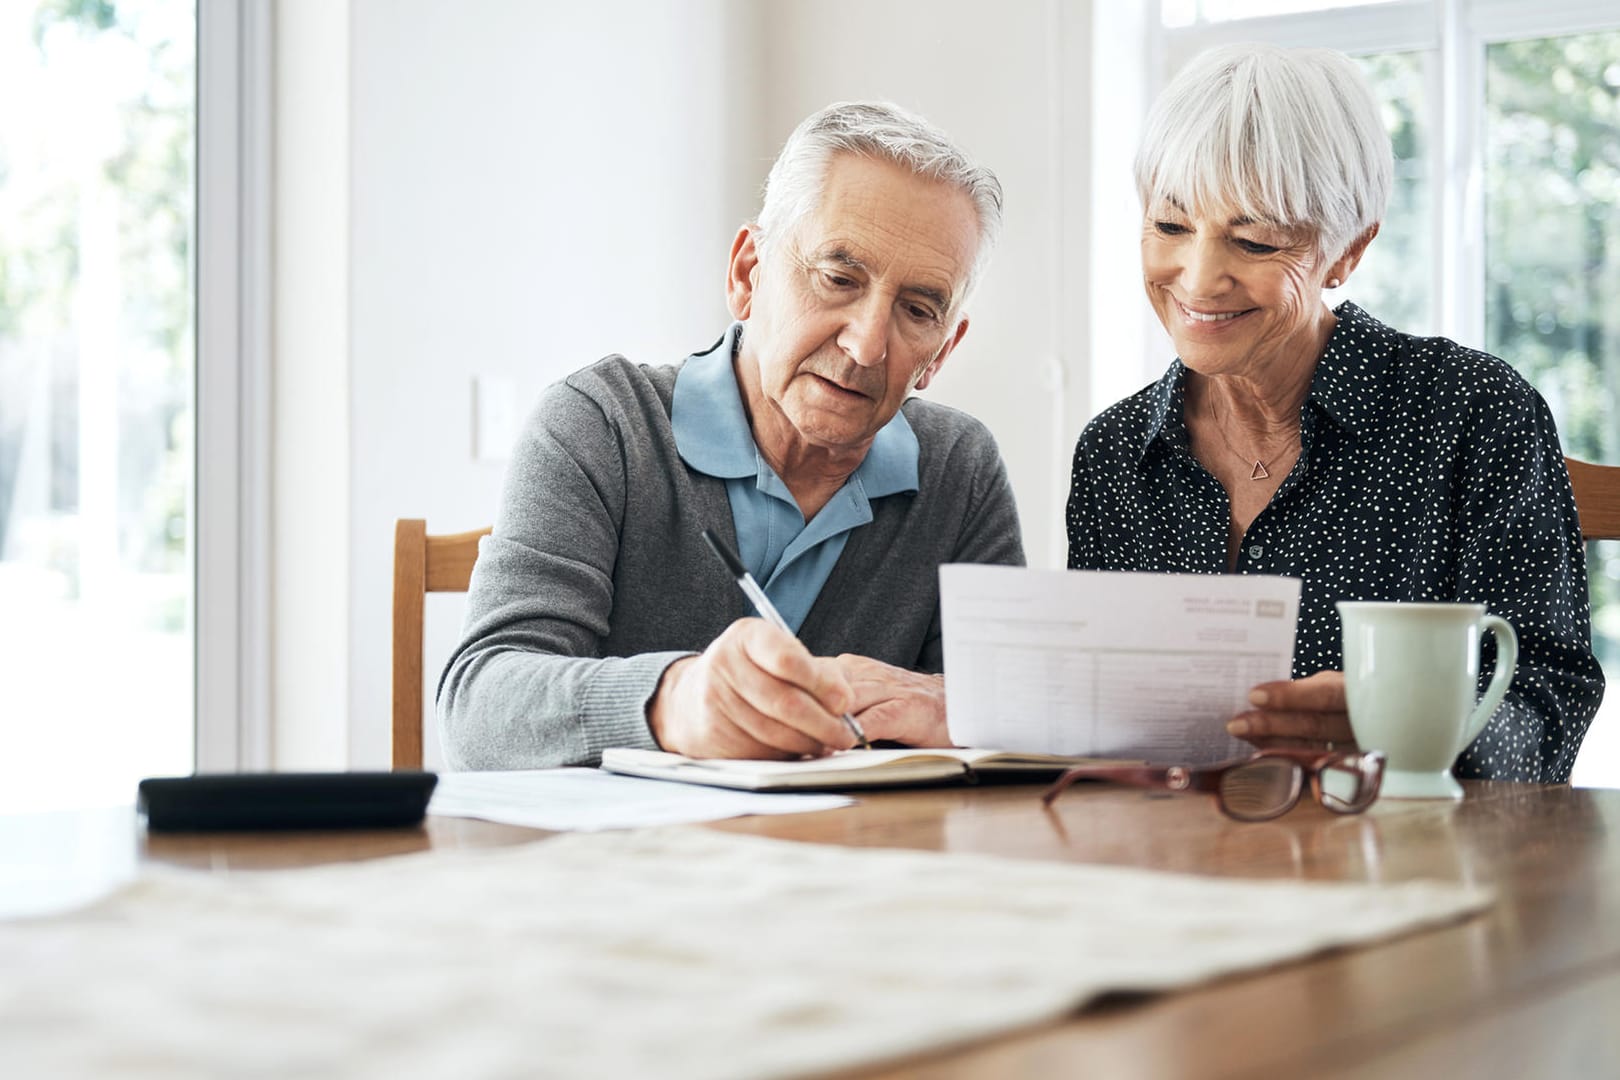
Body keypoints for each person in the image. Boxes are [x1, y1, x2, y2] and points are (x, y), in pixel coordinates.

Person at [1066, 44, 1604, 782]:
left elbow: (1549, 709)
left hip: (1402, 864)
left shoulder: (1476, 414)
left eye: (1253, 240)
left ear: (1347, 251)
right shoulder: (1115, 453)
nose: (1196, 277)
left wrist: (1413, 728)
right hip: (1175, 867)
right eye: (1169, 226)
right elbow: (1101, 723)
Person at [439, 101, 1023, 769]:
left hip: (861, 859)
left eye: (918, 310)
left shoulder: (961, 468)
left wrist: (961, 709)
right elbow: (478, 712)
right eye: (837, 279)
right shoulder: (602, 424)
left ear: (940, 353)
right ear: (748, 275)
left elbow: (1011, 721)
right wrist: (674, 703)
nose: (866, 345)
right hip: (621, 865)